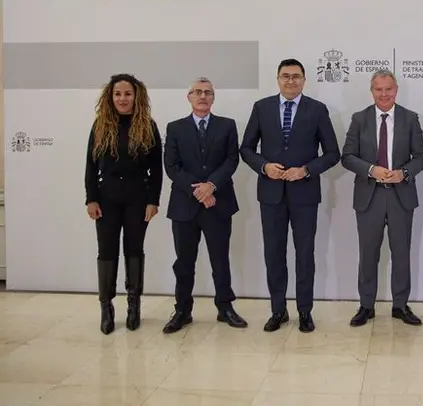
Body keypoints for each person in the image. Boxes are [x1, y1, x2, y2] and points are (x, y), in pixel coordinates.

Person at [240, 58, 340, 333]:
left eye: (296, 76)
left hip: (304, 194)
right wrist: (264, 166)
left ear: (304, 80)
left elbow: (333, 153)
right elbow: (246, 148)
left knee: (305, 254)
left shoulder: (317, 110)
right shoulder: (261, 108)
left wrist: (306, 170)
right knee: (274, 253)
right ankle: (278, 309)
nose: (291, 81)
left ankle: (305, 311)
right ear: (278, 79)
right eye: (286, 76)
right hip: (270, 195)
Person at [341, 70, 423, 327]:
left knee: (402, 254)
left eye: (388, 89)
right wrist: (371, 170)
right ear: (371, 91)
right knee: (368, 254)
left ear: (396, 90)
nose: (384, 94)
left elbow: (421, 158)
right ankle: (366, 306)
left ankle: (400, 306)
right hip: (370, 196)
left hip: (401, 196)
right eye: (378, 89)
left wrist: (404, 173)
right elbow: (347, 156)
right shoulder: (359, 119)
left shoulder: (410, 119)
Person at [161, 77, 247, 333]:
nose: (203, 96)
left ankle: (225, 307)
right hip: (185, 206)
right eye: (197, 92)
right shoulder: (175, 128)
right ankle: (182, 310)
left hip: (218, 203)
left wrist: (212, 186)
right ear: (188, 96)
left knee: (220, 259)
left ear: (213, 97)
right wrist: (198, 190)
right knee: (184, 262)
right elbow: (172, 166)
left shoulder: (227, 126)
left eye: (208, 92)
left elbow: (232, 160)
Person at [85, 73, 162, 335]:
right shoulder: (100, 125)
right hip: (106, 199)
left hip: (137, 198)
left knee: (134, 250)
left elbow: (156, 169)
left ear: (136, 96)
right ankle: (106, 308)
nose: (122, 98)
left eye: (127, 93)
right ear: (110, 96)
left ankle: (133, 306)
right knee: (106, 251)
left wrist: (153, 201)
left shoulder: (148, 125)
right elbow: (90, 166)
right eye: (118, 94)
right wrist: (91, 198)